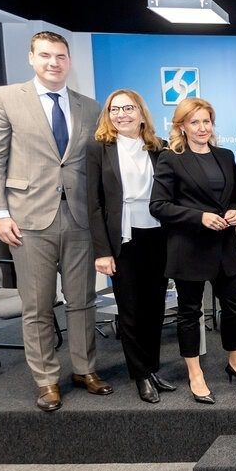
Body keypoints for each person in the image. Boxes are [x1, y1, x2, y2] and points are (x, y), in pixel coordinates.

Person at [0, 31, 111, 412]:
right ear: (31, 58)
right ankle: (47, 379)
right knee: (37, 305)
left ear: (69, 61)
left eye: (61, 56)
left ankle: (84, 369)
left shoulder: (90, 106)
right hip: (27, 220)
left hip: (80, 219)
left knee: (82, 300)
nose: (54, 63)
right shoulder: (4, 98)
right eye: (46, 55)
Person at [150, 98, 236, 404]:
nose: (202, 128)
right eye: (194, 122)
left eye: (206, 121)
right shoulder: (170, 158)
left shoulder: (224, 156)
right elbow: (159, 205)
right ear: (182, 126)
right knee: (189, 312)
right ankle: (195, 373)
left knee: (235, 306)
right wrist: (199, 217)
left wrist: (235, 210)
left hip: (224, 246)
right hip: (189, 247)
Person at [87, 89, 175, 403]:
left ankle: (152, 368)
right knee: (131, 310)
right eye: (115, 109)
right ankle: (140, 375)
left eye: (128, 108)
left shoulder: (159, 146)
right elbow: (94, 204)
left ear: (141, 112)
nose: (121, 115)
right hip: (123, 238)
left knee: (155, 307)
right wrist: (102, 251)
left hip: (158, 235)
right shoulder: (99, 148)